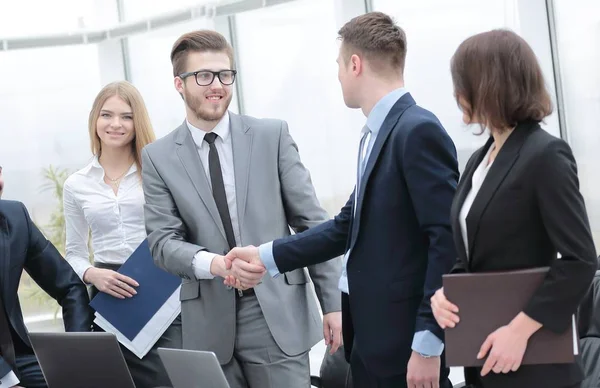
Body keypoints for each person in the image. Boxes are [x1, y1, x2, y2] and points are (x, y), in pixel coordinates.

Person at [224, 11, 458, 388]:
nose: (337, 76)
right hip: (369, 343)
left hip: (405, 348)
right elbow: (343, 226)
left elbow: (445, 242)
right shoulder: (376, 134)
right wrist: (265, 256)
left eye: (338, 65)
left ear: (355, 64)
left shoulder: (417, 130)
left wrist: (429, 345)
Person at [141, 29, 343, 388]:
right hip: (207, 325)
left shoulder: (272, 136)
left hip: (277, 314)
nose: (216, 85)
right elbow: (162, 243)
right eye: (203, 76)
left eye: (224, 74)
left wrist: (333, 304)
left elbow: (313, 226)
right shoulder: (158, 158)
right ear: (179, 84)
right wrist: (215, 264)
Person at [430, 29, 597, 388]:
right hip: (484, 356)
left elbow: (580, 260)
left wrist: (519, 331)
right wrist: (448, 292)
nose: (457, 93)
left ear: (488, 85)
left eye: (462, 82)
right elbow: (473, 254)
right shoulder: (479, 160)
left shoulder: (545, 155)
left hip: (533, 363)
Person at [63, 81, 181, 388]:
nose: (116, 124)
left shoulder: (158, 172)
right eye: (107, 115)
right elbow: (73, 252)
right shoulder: (76, 184)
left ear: (137, 121)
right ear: (95, 120)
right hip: (109, 295)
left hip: (162, 289)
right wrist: (92, 274)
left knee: (167, 378)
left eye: (126, 116)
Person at [0, 198, 92, 388]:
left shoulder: (15, 216)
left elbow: (69, 287)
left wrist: (78, 353)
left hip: (18, 356)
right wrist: (6, 383)